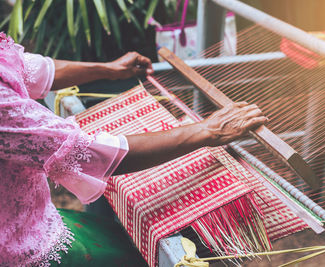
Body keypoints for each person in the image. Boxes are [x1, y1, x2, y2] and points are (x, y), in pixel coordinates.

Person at [0, 32, 267, 266]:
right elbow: (86, 154)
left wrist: (108, 69)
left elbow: (26, 68)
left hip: (30, 222)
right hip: (19, 252)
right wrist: (206, 131)